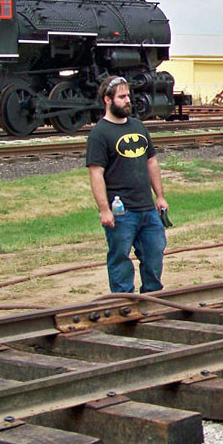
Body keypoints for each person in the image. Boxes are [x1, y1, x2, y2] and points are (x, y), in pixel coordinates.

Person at [86, 75, 169, 294]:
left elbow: (151, 162)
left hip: (147, 208)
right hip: (121, 212)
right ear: (107, 100)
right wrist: (104, 209)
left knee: (155, 252)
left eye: (128, 96)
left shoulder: (138, 127)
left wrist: (159, 197)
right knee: (120, 258)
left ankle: (152, 296)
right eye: (122, 97)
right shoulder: (99, 133)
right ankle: (123, 302)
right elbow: (96, 173)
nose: (127, 100)